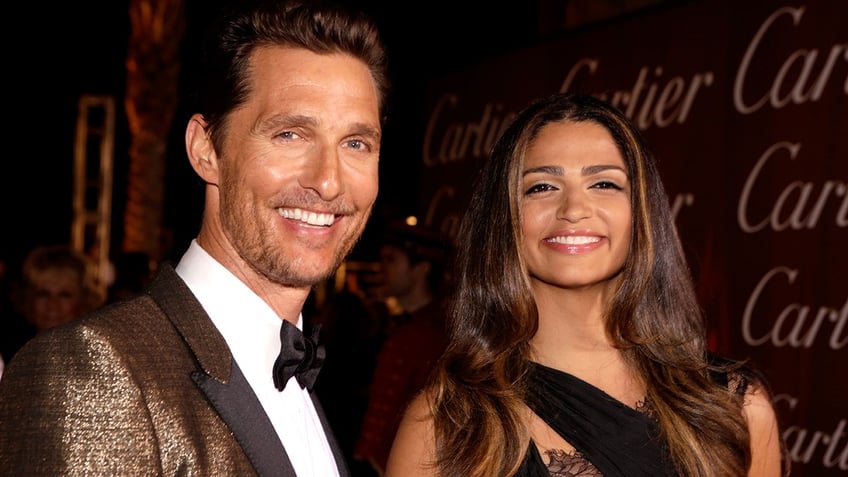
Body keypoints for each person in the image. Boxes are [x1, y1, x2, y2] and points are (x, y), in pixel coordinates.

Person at [0, 1, 389, 475]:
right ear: (206, 149)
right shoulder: (95, 373)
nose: (328, 182)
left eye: (356, 144)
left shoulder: (303, 380)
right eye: (290, 134)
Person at [385, 93, 787, 477]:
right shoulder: (446, 425)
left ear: (641, 211)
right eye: (542, 187)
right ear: (504, 217)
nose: (574, 209)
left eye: (605, 184)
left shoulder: (733, 407)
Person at [354, 221, 451, 476]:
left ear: (420, 269)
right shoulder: (397, 326)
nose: (381, 268)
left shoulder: (435, 336)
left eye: (391, 260)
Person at [0, 244, 103, 364]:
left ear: (84, 301)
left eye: (65, 295)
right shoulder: (10, 358)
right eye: (44, 294)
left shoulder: (97, 359)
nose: (52, 305)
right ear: (28, 300)